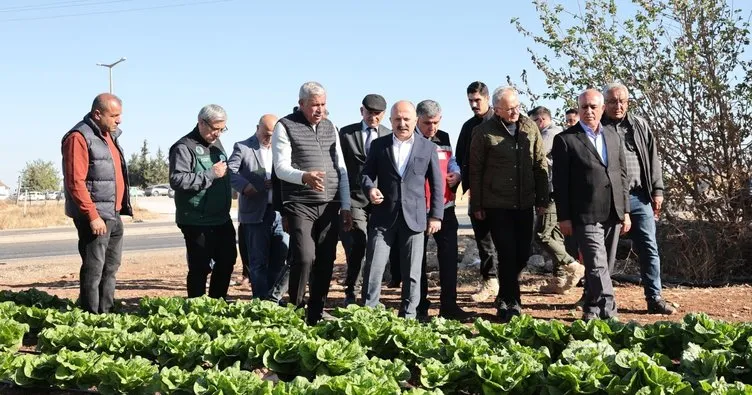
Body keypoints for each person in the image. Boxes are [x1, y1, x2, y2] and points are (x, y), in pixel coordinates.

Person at [272, 81, 353, 325]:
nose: (319, 109)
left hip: (329, 203)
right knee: (305, 256)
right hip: (300, 203)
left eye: (323, 104)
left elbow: (341, 168)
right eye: (314, 105)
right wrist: (304, 177)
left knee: (327, 259)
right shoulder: (285, 126)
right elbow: (280, 168)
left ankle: (316, 312)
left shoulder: (330, 127)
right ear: (301, 104)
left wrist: (346, 204)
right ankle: (296, 310)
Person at [469, 87, 549, 322]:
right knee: (506, 253)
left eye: (517, 106)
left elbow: (540, 163)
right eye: (509, 109)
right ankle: (510, 303)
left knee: (522, 254)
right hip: (497, 203)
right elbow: (476, 170)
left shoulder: (529, 127)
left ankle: (504, 292)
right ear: (497, 109)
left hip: (524, 203)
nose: (515, 112)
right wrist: (477, 204)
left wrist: (542, 198)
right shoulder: (483, 132)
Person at [552, 88, 631, 320]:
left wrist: (625, 210)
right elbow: (560, 182)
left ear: (602, 109)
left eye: (593, 107)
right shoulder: (566, 140)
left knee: (605, 264)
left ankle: (591, 308)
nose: (588, 111)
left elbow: (622, 175)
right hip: (584, 214)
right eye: (583, 107)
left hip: (613, 211)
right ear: (578, 109)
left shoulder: (613, 136)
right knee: (596, 264)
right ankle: (610, 312)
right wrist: (564, 217)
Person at [361, 100, 443, 319]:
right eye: (397, 119)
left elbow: (437, 183)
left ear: (415, 120)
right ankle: (368, 317)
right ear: (391, 120)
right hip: (383, 217)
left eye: (407, 119)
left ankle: (408, 318)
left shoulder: (428, 147)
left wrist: (436, 215)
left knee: (413, 274)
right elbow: (366, 175)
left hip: (415, 219)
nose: (402, 123)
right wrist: (370, 189)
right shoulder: (379, 145)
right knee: (374, 270)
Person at [601, 82, 675, 315]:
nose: (618, 106)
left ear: (628, 103)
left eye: (622, 101)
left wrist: (658, 191)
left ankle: (654, 298)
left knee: (649, 247)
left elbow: (653, 159)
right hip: (608, 199)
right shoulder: (597, 128)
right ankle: (595, 297)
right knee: (602, 250)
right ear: (604, 104)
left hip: (639, 197)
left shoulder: (640, 126)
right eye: (613, 101)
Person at [62, 93, 132, 314]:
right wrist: (92, 215)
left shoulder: (107, 135)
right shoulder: (79, 137)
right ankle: (91, 315)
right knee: (94, 268)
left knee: (111, 267)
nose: (119, 120)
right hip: (96, 216)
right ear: (97, 113)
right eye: (114, 115)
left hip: (113, 212)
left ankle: (106, 312)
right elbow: (75, 181)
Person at [169, 104, 236, 299]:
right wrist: (210, 174)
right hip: (196, 220)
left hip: (221, 218)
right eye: (215, 128)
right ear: (201, 122)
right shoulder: (184, 147)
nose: (218, 134)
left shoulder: (216, 145)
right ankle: (197, 306)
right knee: (200, 267)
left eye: (222, 129)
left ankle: (217, 302)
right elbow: (178, 180)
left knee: (227, 261)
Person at [415, 99, 469, 320]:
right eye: (428, 123)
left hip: (446, 208)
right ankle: (419, 307)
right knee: (417, 261)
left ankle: (449, 306)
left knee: (448, 259)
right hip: (419, 210)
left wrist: (457, 174)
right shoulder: (409, 138)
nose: (432, 127)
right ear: (418, 119)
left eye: (436, 122)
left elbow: (452, 160)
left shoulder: (444, 137)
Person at [338, 94, 394, 305]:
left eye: (378, 114)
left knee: (377, 246)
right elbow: (340, 167)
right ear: (362, 111)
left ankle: (370, 294)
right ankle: (351, 289)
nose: (373, 117)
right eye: (370, 113)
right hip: (355, 198)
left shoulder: (389, 135)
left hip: (381, 200)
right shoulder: (346, 134)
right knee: (358, 244)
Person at [228, 114, 289, 299]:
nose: (269, 138)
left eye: (272, 134)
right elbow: (230, 172)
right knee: (258, 262)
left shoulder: (283, 148)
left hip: (279, 213)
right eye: (266, 134)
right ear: (257, 128)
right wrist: (246, 186)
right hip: (255, 214)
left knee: (280, 259)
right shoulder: (243, 147)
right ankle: (261, 300)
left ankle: (273, 299)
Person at [527, 106, 584, 294]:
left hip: (551, 193)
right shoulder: (557, 132)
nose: (530, 127)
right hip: (556, 192)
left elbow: (535, 156)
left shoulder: (551, 133)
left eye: (532, 122)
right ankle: (560, 279)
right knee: (556, 236)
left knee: (541, 235)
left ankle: (573, 266)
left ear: (541, 120)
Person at [454, 81, 499, 303]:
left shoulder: (501, 123)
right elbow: (461, 159)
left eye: (477, 100)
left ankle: (507, 284)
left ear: (487, 99)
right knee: (484, 241)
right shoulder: (467, 127)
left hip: (502, 194)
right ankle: (490, 281)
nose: (473, 104)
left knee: (505, 242)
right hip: (477, 195)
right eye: (470, 100)